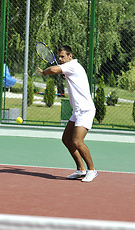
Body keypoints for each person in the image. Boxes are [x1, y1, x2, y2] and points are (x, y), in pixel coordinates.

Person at [38, 45, 97, 182]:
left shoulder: (73, 66)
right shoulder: (70, 68)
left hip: (85, 110)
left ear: (70, 56)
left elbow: (53, 69)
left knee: (77, 141)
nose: (60, 59)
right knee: (66, 139)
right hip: (77, 111)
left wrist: (45, 72)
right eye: (59, 57)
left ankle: (92, 170)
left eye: (62, 56)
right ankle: (80, 169)